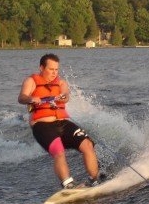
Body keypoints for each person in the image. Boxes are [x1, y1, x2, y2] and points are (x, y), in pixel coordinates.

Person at [18, 53, 102, 189]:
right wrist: (31, 99)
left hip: (63, 123)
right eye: (51, 69)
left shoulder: (61, 83)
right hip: (42, 126)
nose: (54, 73)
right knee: (59, 152)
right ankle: (68, 184)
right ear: (41, 67)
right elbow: (21, 97)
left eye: (56, 69)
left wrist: (61, 98)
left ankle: (95, 179)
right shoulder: (31, 81)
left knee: (87, 145)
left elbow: (66, 96)